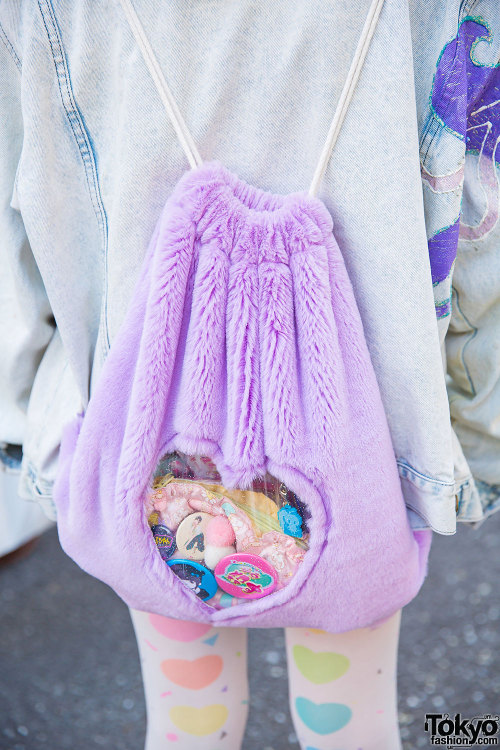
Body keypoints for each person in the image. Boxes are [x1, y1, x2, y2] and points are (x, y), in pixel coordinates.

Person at [1, 0, 499, 748]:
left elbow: (18, 199)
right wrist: (471, 437)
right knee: (349, 728)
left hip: (146, 420)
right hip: (368, 445)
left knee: (187, 724)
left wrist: (41, 428)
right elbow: (482, 208)